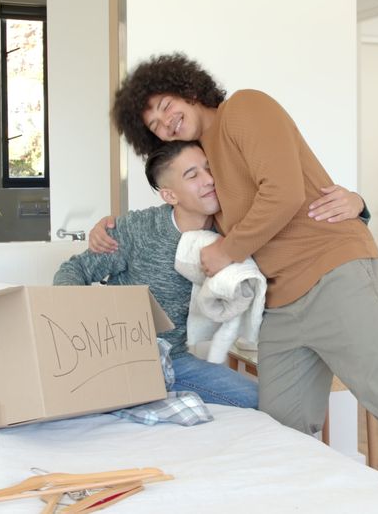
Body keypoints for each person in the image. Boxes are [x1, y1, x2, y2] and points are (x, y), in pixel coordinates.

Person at [108, 52, 378, 513]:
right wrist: (110, 229)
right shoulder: (205, 160)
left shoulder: (245, 108)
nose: (164, 122)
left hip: (336, 278)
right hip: (282, 304)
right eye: (154, 125)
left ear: (187, 89)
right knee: (278, 430)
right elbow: (182, 211)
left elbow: (283, 193)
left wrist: (228, 251)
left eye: (164, 105)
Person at [53, 141, 260, 407]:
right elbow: (74, 269)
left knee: (258, 401)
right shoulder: (137, 230)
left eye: (209, 169)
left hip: (175, 361)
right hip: (120, 360)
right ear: (170, 196)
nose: (209, 180)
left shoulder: (232, 232)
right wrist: (81, 320)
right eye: (192, 175)